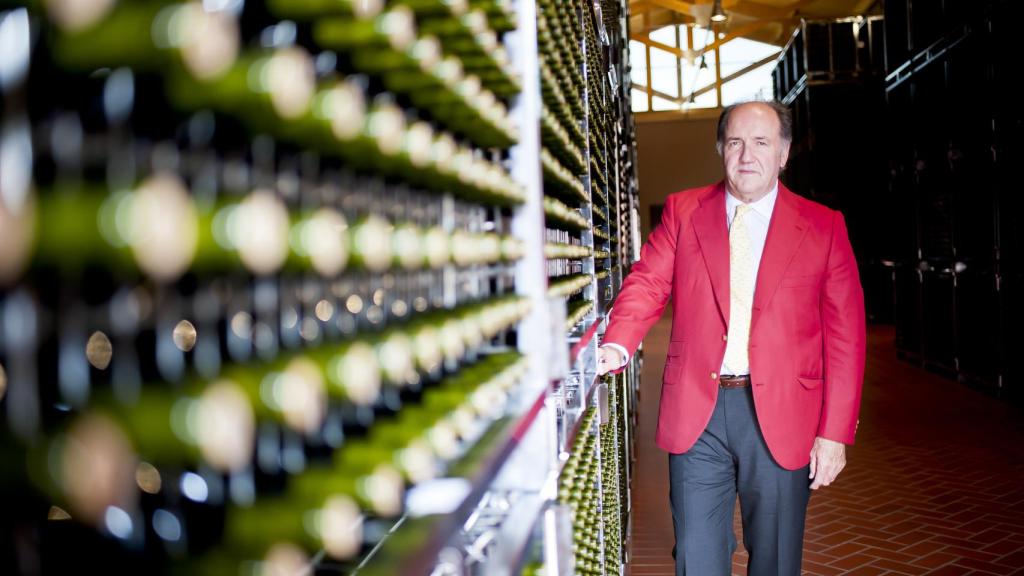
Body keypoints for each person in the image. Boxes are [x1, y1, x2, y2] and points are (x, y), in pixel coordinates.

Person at [597, 100, 865, 576]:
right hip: (698, 413)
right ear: (721, 148)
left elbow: (846, 337)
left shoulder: (824, 227)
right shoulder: (684, 211)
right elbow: (649, 281)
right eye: (736, 142)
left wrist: (834, 433)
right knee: (697, 557)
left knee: (777, 560)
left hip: (784, 413)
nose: (747, 155)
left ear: (783, 154)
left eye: (761, 143)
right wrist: (618, 342)